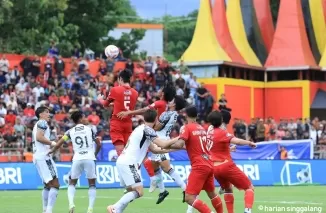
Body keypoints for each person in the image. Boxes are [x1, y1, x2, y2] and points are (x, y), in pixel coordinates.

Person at [106, 109, 178, 213]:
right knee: (139, 191)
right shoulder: (148, 130)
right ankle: (114, 207)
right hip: (129, 163)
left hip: (122, 161)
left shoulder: (140, 129)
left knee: (131, 191)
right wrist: (180, 137)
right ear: (156, 119)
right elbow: (162, 144)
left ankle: (117, 211)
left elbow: (156, 149)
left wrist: (178, 148)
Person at [159, 106, 224, 213]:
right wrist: (167, 148)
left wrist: (165, 144)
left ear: (185, 115)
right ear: (197, 116)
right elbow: (191, 145)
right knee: (212, 194)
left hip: (199, 166)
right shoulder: (201, 128)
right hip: (209, 163)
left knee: (188, 198)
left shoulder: (186, 128)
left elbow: (180, 144)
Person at [117, 83, 176, 188]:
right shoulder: (167, 106)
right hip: (157, 133)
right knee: (152, 161)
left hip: (154, 133)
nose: (158, 90)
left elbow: (145, 110)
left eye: (160, 89)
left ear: (162, 93)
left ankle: (152, 181)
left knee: (163, 166)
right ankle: (158, 186)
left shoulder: (159, 103)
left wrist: (129, 112)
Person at [49, 111, 102, 213]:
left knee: (72, 182)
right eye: (84, 117)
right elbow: (99, 144)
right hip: (89, 158)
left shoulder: (70, 131)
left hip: (77, 158)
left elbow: (60, 143)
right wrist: (94, 155)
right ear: (80, 118)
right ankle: (90, 209)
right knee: (92, 184)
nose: (85, 118)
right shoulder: (90, 129)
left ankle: (71, 203)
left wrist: (52, 150)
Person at [207, 110, 256, 213]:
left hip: (214, 168)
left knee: (228, 189)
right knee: (249, 187)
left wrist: (228, 149)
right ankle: (247, 211)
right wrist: (249, 143)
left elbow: (213, 147)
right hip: (225, 165)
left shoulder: (209, 131)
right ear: (221, 120)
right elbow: (237, 141)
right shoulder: (222, 132)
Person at [150, 95, 193, 212]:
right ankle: (162, 191)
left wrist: (151, 119)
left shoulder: (167, 114)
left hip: (161, 141)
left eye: (172, 100)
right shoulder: (173, 114)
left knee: (166, 167)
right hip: (159, 139)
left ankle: (185, 189)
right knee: (154, 166)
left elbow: (157, 127)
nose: (170, 101)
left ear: (174, 104)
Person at [97, 69, 137, 156]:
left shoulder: (115, 90)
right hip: (128, 124)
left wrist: (100, 98)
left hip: (117, 123)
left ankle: (125, 169)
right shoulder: (135, 92)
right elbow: (125, 103)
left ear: (120, 79)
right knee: (129, 154)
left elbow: (105, 104)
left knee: (121, 154)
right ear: (130, 79)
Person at [32, 106, 59, 213]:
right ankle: (49, 211)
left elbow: (40, 138)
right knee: (55, 184)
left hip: (38, 156)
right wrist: (53, 143)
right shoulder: (42, 122)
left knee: (47, 185)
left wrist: (54, 139)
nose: (49, 114)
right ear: (40, 114)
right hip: (44, 157)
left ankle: (45, 210)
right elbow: (39, 137)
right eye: (46, 112)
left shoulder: (38, 124)